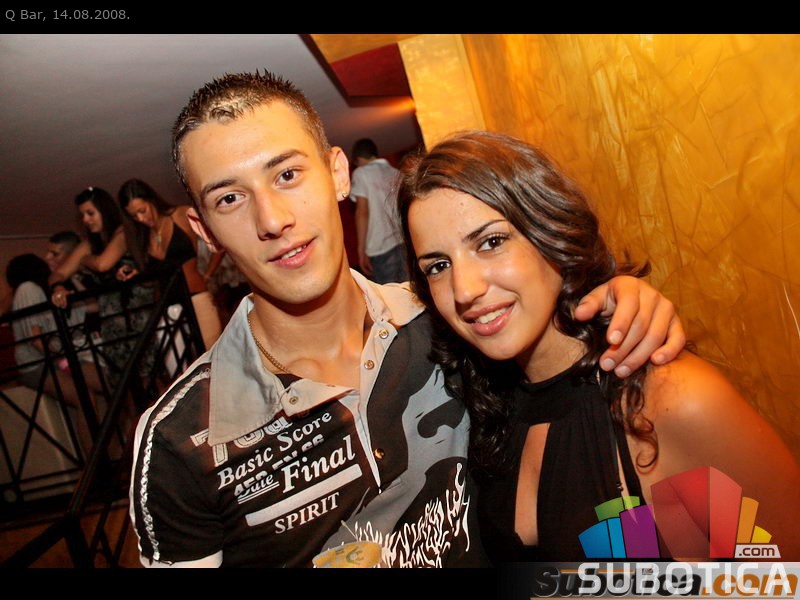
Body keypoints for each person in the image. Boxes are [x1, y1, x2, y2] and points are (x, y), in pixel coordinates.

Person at [128, 71, 685, 569]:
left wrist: (614, 303)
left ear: (338, 174)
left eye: (288, 174)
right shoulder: (180, 440)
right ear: (204, 232)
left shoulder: (452, 323)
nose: (272, 219)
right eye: (229, 199)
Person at [396, 130, 800, 562]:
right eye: (438, 266)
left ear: (549, 228)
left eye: (491, 242)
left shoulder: (666, 405)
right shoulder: (482, 404)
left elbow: (769, 578)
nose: (464, 289)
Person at [6, 253, 104, 452]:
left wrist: (72, 276)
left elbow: (93, 306)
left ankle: (116, 451)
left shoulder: (48, 292)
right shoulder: (28, 289)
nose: (50, 260)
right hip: (38, 364)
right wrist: (62, 358)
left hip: (54, 360)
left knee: (112, 384)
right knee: (84, 397)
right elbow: (35, 338)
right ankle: (95, 460)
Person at [116, 178, 222, 350]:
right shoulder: (141, 236)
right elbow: (152, 279)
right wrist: (135, 274)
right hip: (167, 306)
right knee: (175, 361)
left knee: (212, 357)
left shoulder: (181, 215)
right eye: (134, 216)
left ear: (151, 200)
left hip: (196, 298)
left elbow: (219, 244)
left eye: (142, 210)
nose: (140, 218)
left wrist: (208, 274)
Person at [349, 138, 408, 284]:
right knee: (409, 291)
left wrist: (361, 250)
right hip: (402, 242)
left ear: (358, 159)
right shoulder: (396, 173)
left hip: (380, 247)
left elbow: (362, 212)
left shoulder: (361, 173)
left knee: (387, 295)